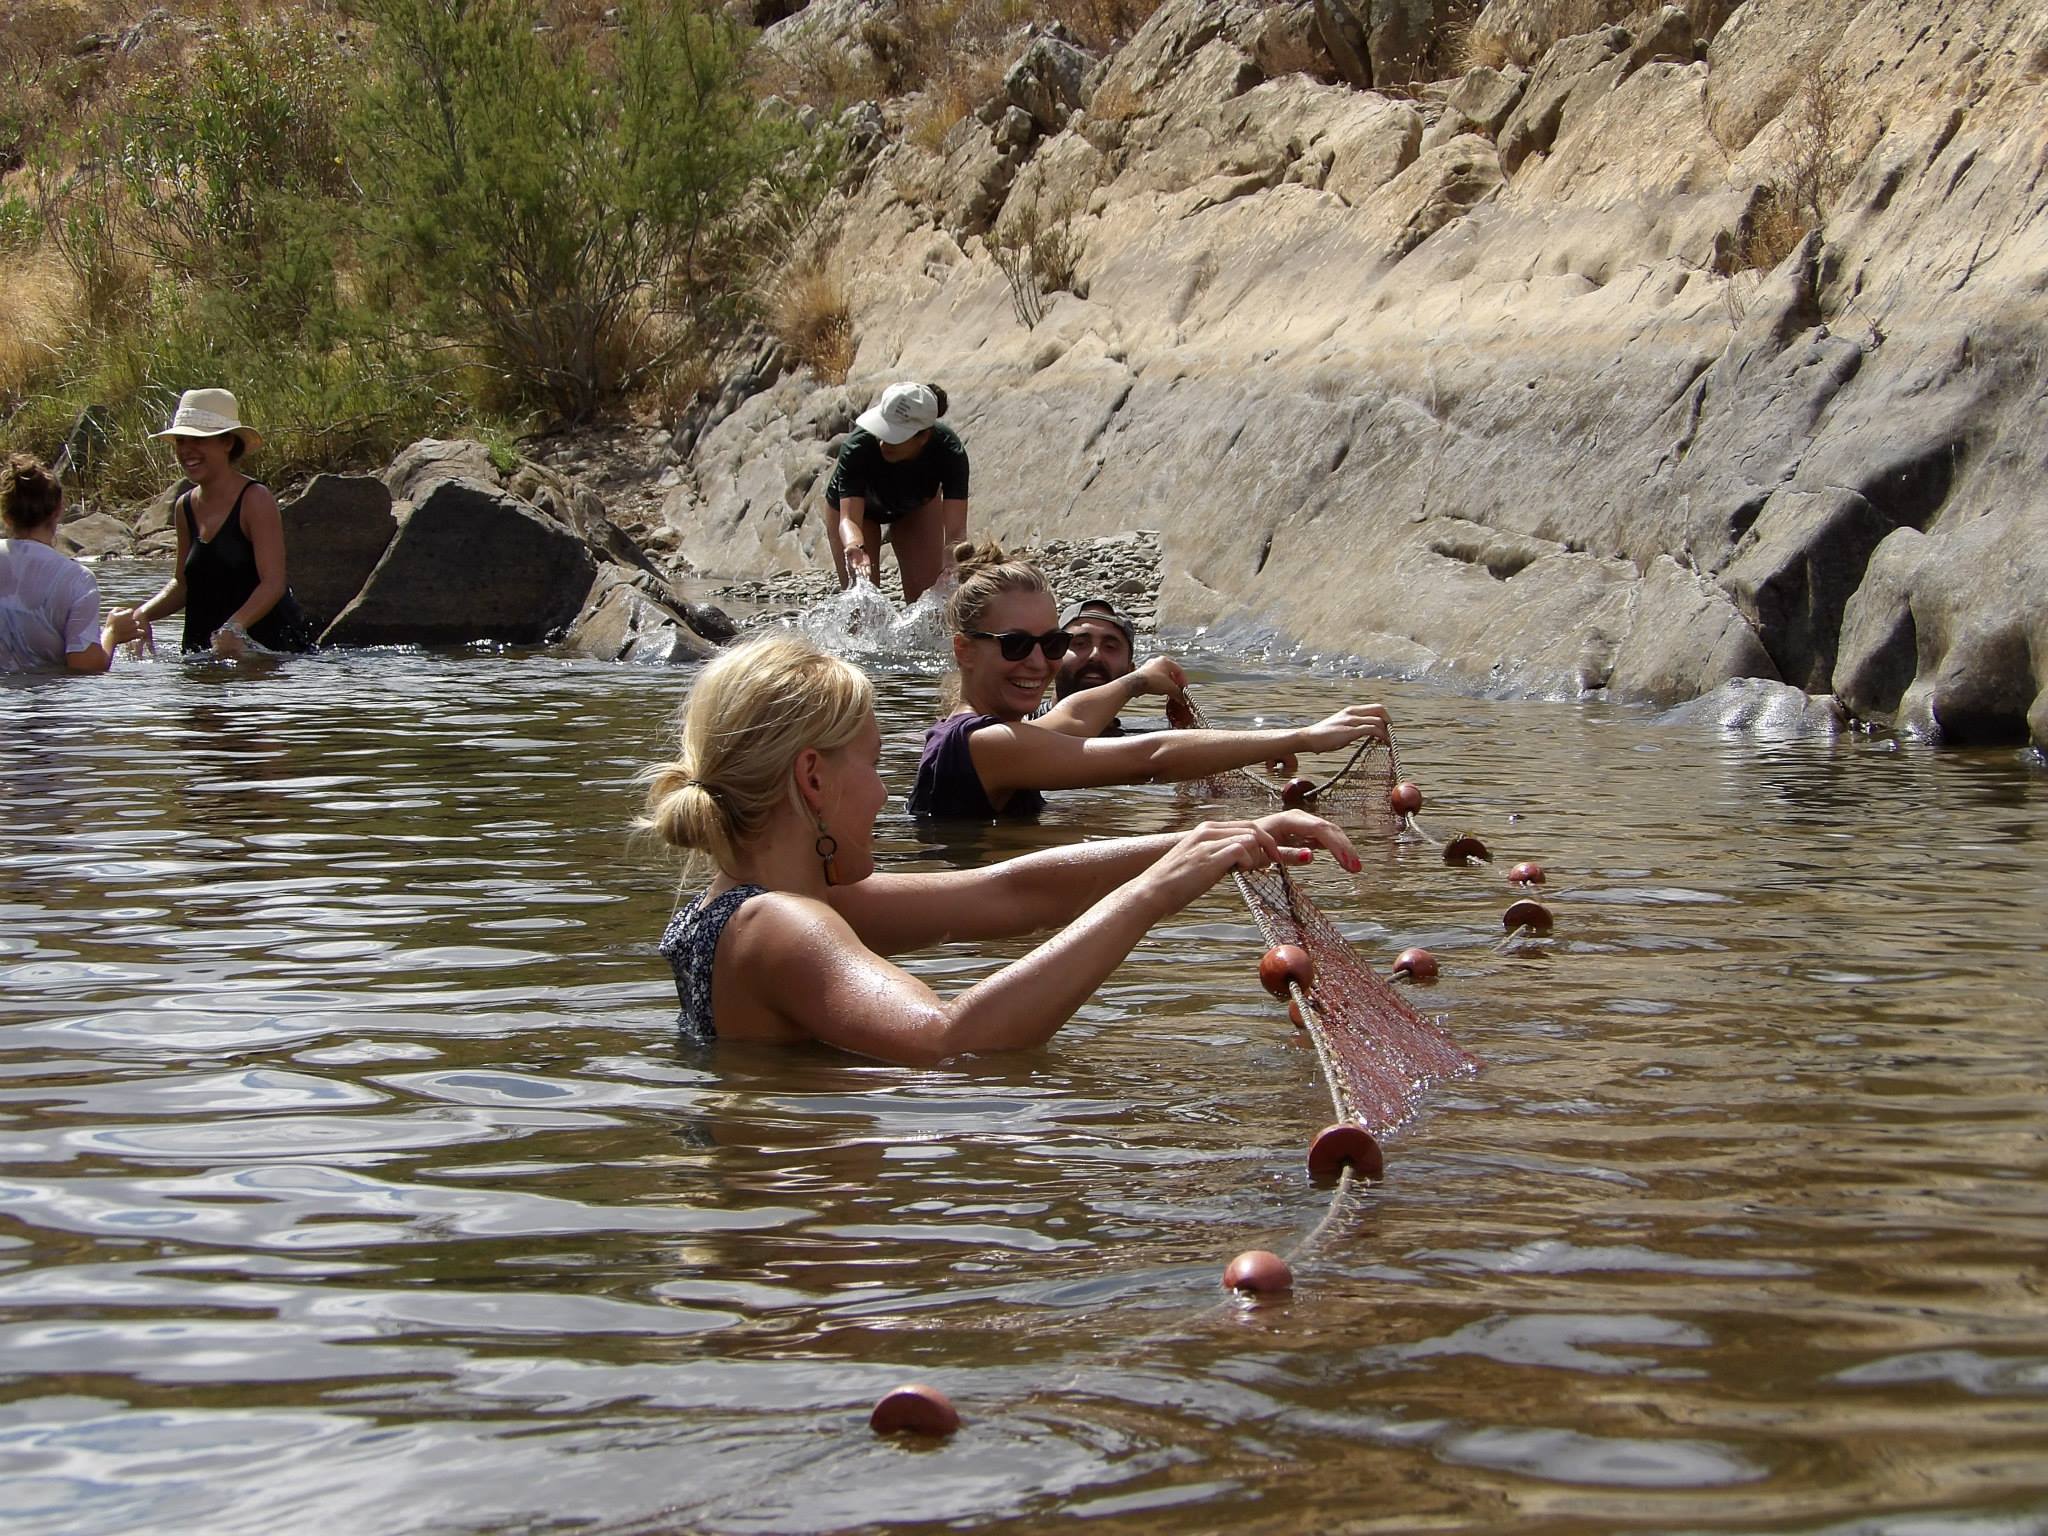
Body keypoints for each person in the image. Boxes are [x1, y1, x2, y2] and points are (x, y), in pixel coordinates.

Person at [639, 631, 1362, 1063]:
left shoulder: (758, 907)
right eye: (873, 764)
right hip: (814, 1253)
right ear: (813, 779)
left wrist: (1198, 846)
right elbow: (948, 1040)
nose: (885, 794)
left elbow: (1013, 892)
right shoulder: (784, 924)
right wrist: (1152, 895)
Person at [907, 541, 1392, 821]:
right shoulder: (984, 743)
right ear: (964, 650)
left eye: (1052, 643)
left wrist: (1137, 682)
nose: (1037, 662)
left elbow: (1071, 718)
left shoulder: (982, 733)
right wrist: (1302, 737)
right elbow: (1150, 758)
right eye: (1015, 644)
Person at [110, 388, 312, 657]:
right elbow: (182, 585)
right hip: (200, 655)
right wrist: (142, 614)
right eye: (181, 441)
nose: (186, 450)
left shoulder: (255, 499)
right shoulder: (184, 506)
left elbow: (273, 583)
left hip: (266, 656)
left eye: (198, 440)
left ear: (227, 443)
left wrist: (234, 628)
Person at [823, 381, 969, 604]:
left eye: (894, 436)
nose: (883, 443)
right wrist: (854, 546)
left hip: (915, 505)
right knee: (863, 601)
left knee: (927, 600)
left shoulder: (949, 452)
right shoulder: (857, 446)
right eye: (882, 429)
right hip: (859, 511)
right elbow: (849, 519)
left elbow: (956, 532)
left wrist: (950, 567)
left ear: (923, 437)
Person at [0, 453, 141, 673]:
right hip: (50, 693)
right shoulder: (77, 579)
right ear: (58, 511)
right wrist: (112, 632)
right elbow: (85, 666)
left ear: (6, 516)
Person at [1037, 596, 1196, 737]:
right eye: (1080, 643)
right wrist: (1138, 683)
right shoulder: (1024, 724)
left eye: (1110, 647)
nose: (1095, 655)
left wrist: (1186, 725)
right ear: (1053, 657)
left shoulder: (1152, 737)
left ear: (1130, 670)